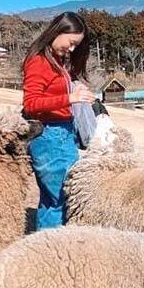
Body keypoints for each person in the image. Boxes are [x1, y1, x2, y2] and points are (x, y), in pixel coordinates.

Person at [22, 12, 94, 230]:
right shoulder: (38, 61)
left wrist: (75, 87)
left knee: (55, 199)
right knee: (58, 200)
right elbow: (31, 104)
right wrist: (70, 98)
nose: (72, 49)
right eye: (71, 43)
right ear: (58, 31)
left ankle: (49, 250)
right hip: (49, 137)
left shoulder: (56, 61)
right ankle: (49, 253)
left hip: (62, 135)